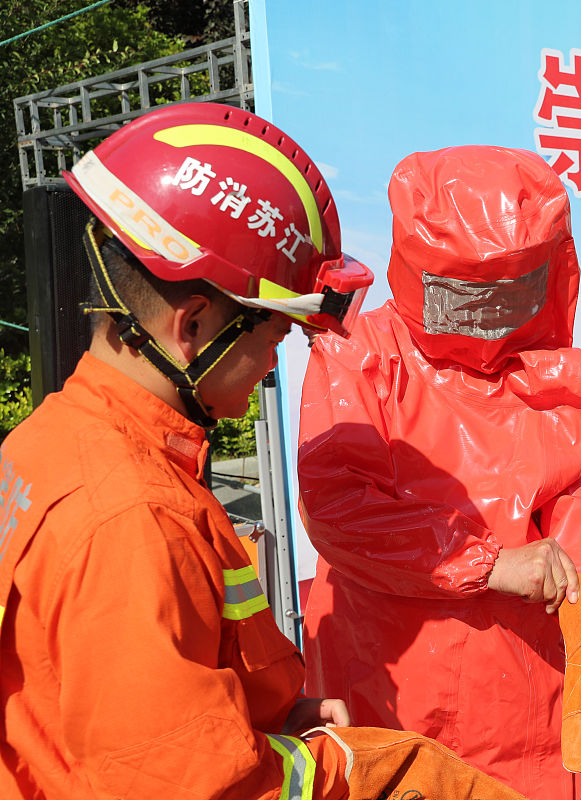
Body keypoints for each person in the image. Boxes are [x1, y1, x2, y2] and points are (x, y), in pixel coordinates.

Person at [0, 103, 523, 800]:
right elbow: (189, 786)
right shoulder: (133, 517)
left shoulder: (50, 441)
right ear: (194, 325)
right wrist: (373, 773)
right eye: (273, 337)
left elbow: (110, 706)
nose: (273, 365)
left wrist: (263, 719)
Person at [296, 145, 581, 800]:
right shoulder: (362, 354)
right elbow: (340, 508)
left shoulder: (557, 369)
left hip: (543, 686)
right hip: (409, 690)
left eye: (513, 290)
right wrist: (491, 564)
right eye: (465, 295)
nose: (491, 314)